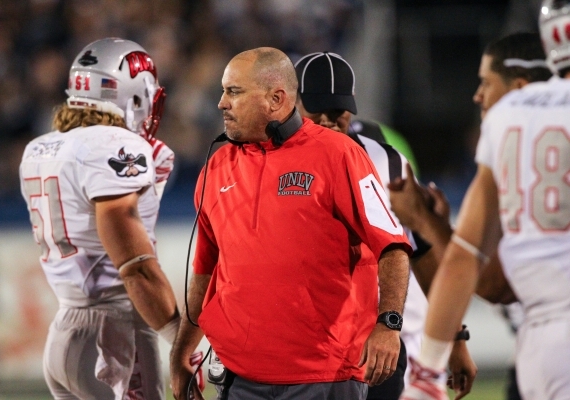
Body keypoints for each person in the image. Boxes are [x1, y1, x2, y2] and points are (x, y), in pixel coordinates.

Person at [170, 47, 412, 400]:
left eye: (234, 91)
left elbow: (393, 247)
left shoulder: (339, 154)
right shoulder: (216, 168)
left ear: (276, 99)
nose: (221, 103)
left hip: (325, 374)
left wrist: (389, 325)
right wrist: (181, 352)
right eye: (223, 91)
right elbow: (206, 271)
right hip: (239, 377)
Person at [398, 1, 570, 398]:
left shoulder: (512, 115)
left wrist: (426, 373)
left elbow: (468, 258)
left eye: (485, 84)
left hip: (543, 344)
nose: (477, 97)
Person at [293, 51, 477, 400]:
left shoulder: (386, 160)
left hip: (369, 341)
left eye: (338, 112)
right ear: (292, 106)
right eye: (317, 112)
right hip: (297, 347)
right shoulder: (266, 159)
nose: (329, 122)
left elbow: (422, 252)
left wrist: (455, 339)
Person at [19, 38, 180, 400]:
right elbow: (135, 267)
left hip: (65, 329)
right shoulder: (113, 145)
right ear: (133, 96)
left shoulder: (40, 147)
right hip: (112, 334)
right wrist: (182, 341)